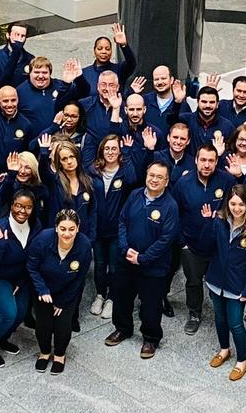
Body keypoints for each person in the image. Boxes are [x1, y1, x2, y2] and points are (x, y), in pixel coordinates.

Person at [105, 161, 181, 359]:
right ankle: (122, 328)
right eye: (151, 175)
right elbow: (122, 220)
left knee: (151, 306)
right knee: (121, 297)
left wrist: (143, 258)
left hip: (153, 266)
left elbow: (166, 239)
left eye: (159, 177)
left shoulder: (170, 206)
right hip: (126, 260)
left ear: (166, 181)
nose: (154, 180)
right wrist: (125, 248)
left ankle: (150, 338)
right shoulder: (134, 195)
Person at [197, 185, 246, 381]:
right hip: (216, 281)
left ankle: (242, 360)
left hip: (237, 287)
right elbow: (205, 247)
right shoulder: (219, 222)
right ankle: (224, 349)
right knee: (220, 318)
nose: (236, 208)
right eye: (233, 204)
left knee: (235, 323)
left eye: (241, 204)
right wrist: (207, 223)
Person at [171, 143, 235, 335]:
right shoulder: (183, 183)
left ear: (216, 162)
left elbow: (237, 207)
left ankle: (223, 313)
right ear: (196, 161)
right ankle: (194, 314)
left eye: (211, 161)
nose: (207, 165)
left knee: (221, 280)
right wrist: (182, 242)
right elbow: (174, 213)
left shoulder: (227, 180)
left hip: (219, 244)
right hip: (192, 245)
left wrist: (221, 217)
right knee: (193, 282)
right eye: (203, 160)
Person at [0, 189, 41, 367]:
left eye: (28, 207)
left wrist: (21, 281)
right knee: (8, 313)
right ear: (11, 205)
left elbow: (33, 257)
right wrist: (1, 245)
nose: (22, 211)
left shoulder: (35, 226)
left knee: (21, 312)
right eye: (18, 205)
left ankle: (3, 338)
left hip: (17, 276)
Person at [27, 209, 93, 374]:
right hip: (43, 289)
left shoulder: (84, 245)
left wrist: (62, 301)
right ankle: (44, 352)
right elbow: (32, 267)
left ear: (78, 228)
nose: (67, 234)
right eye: (63, 229)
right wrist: (42, 290)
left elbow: (80, 277)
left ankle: (59, 355)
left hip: (68, 290)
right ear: (56, 228)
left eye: (71, 229)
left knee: (63, 325)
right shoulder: (42, 240)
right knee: (43, 324)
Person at [89, 135, 139, 319]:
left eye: (114, 149)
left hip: (117, 230)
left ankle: (112, 298)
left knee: (114, 266)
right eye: (107, 148)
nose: (110, 152)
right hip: (97, 229)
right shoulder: (93, 170)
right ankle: (100, 294)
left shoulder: (124, 171)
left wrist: (127, 153)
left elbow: (133, 180)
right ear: (101, 151)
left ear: (119, 151)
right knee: (99, 265)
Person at [17, 56, 77, 138]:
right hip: (32, 141)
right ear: (30, 73)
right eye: (36, 72)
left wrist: (78, 78)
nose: (40, 76)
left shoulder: (61, 86)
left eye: (44, 72)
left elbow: (83, 93)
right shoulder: (20, 91)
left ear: (50, 74)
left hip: (59, 140)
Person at [80, 23, 137, 90]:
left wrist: (124, 45)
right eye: (100, 48)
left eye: (107, 49)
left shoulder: (119, 69)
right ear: (94, 51)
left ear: (111, 52)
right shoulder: (84, 73)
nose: (104, 51)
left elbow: (131, 63)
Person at [178, 85, 232, 154]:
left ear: (217, 104)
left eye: (212, 102)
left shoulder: (227, 126)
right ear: (198, 102)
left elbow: (230, 152)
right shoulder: (186, 119)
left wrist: (218, 155)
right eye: (204, 102)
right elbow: (169, 122)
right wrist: (177, 103)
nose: (208, 105)